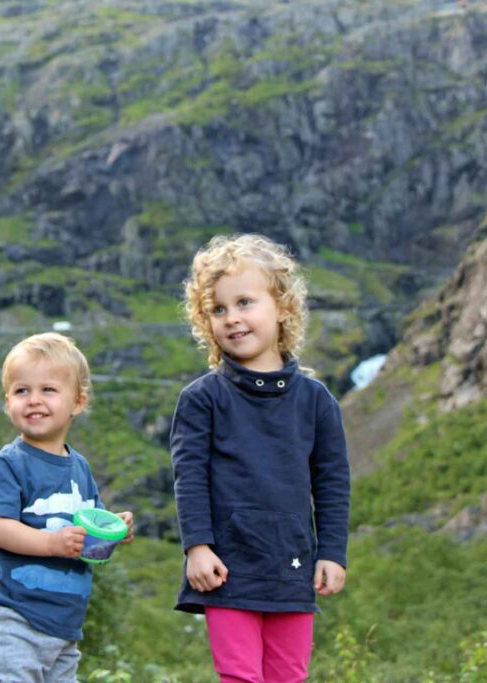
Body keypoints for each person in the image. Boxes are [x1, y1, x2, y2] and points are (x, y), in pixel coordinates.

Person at [170, 234, 351, 683]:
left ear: (283, 307)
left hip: (293, 567)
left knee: (289, 676)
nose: (232, 319)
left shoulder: (316, 401)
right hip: (226, 570)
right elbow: (188, 477)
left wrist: (332, 552)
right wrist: (197, 547)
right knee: (240, 677)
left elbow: (331, 482)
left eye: (245, 303)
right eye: (218, 309)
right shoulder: (201, 400)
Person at [0, 332, 135, 683]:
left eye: (48, 390)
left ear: (77, 402)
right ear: (7, 402)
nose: (34, 400)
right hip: (14, 618)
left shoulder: (80, 467)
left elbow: (91, 527)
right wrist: (51, 544)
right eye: (21, 391)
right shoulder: (9, 464)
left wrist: (115, 527)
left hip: (65, 626)